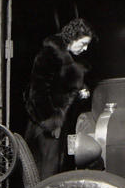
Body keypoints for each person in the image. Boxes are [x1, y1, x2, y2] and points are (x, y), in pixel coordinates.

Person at [24, 16, 96, 178]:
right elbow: (38, 91)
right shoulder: (50, 54)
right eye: (83, 44)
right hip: (45, 126)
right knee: (45, 171)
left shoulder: (72, 58)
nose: (85, 49)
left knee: (56, 167)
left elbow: (65, 84)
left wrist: (81, 89)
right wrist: (50, 123)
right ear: (73, 37)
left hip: (58, 124)